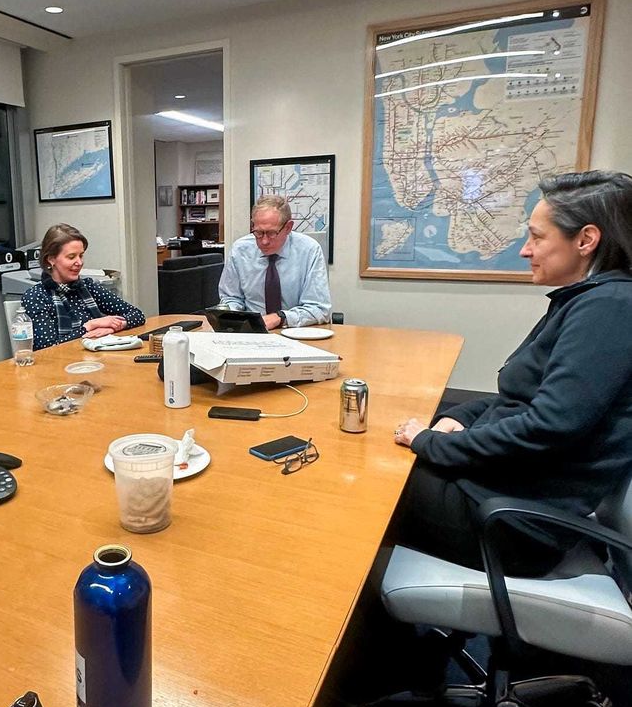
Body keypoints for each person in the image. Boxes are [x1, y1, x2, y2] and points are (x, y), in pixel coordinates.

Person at [390, 170, 632, 575]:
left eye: (537, 237)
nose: (525, 250)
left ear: (586, 240)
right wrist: (459, 417)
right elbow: (520, 397)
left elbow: (549, 426)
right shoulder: (590, 300)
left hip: (512, 523)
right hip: (504, 493)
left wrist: (433, 444)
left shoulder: (609, 308)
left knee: (357, 481)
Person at [21, 223, 145, 351]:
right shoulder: (36, 296)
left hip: (94, 359)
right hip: (59, 364)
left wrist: (113, 327)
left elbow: (137, 314)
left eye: (81, 255)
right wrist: (91, 325)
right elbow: (46, 347)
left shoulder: (88, 286)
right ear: (51, 259)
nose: (79, 263)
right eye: (71, 257)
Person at [217, 195, 331, 328]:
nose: (264, 241)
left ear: (288, 227)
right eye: (258, 233)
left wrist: (280, 317)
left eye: (271, 233)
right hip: (252, 332)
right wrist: (230, 313)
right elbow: (231, 298)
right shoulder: (240, 250)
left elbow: (319, 308)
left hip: (295, 331)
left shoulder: (309, 250)